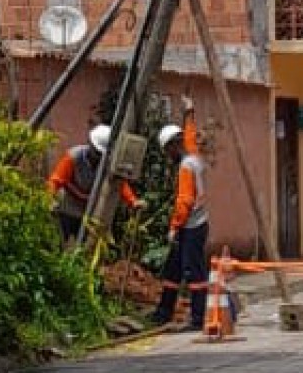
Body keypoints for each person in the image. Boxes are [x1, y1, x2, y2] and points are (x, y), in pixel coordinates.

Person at [151, 119, 211, 329]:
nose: (168, 156)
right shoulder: (195, 158)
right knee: (173, 268)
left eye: (167, 151)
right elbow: (191, 136)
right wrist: (189, 112)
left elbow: (184, 200)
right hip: (196, 222)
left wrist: (174, 226)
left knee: (194, 272)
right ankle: (163, 312)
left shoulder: (186, 166)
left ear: (172, 146)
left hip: (191, 225)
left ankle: (198, 318)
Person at [48, 123, 137, 246]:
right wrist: (49, 199)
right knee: (56, 244)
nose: (98, 157)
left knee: (85, 248)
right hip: (66, 209)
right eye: (97, 152)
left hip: (89, 213)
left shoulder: (108, 163)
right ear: (90, 144)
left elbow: (120, 184)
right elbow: (56, 180)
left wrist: (133, 201)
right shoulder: (74, 157)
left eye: (101, 154)